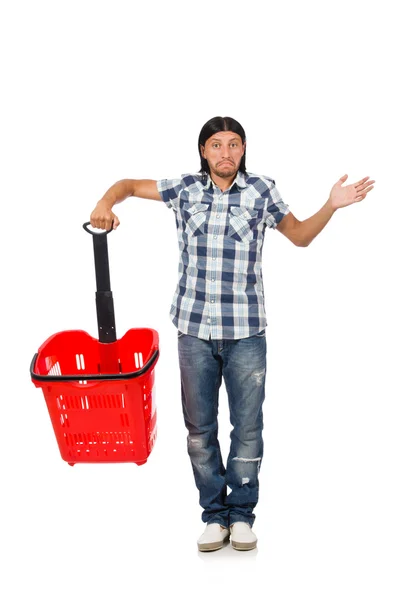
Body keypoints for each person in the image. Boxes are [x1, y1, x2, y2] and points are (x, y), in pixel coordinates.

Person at [89, 116, 375, 552]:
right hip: (193, 331)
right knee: (200, 431)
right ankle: (214, 516)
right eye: (217, 145)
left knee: (247, 428)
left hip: (246, 333)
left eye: (234, 144)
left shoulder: (261, 191)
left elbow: (299, 236)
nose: (226, 153)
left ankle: (241, 515)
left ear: (243, 150)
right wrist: (104, 204)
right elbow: (127, 184)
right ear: (203, 150)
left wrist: (331, 205)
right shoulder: (183, 188)